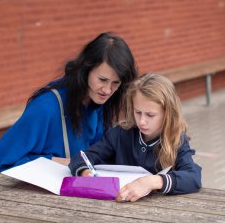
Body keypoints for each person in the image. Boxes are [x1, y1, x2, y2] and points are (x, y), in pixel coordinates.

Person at [0, 32, 138, 172]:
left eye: (115, 83)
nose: (108, 90)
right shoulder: (46, 107)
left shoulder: (99, 103)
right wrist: (62, 162)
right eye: (102, 80)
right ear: (86, 69)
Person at [69, 72, 202, 202]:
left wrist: (153, 181)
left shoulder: (176, 139)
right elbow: (81, 158)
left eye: (150, 115)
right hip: (116, 205)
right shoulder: (120, 134)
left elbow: (193, 177)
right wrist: (85, 173)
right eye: (138, 112)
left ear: (168, 113)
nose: (142, 121)